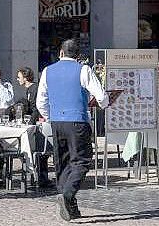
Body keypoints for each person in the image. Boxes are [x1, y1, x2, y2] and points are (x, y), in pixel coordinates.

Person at [36, 39, 112, 222]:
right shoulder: (83, 69)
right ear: (78, 56)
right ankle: (67, 195)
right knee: (82, 160)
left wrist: (50, 116)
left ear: (61, 53)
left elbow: (40, 101)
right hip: (77, 120)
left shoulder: (47, 71)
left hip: (57, 122)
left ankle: (70, 206)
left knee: (62, 161)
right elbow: (101, 96)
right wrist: (104, 104)